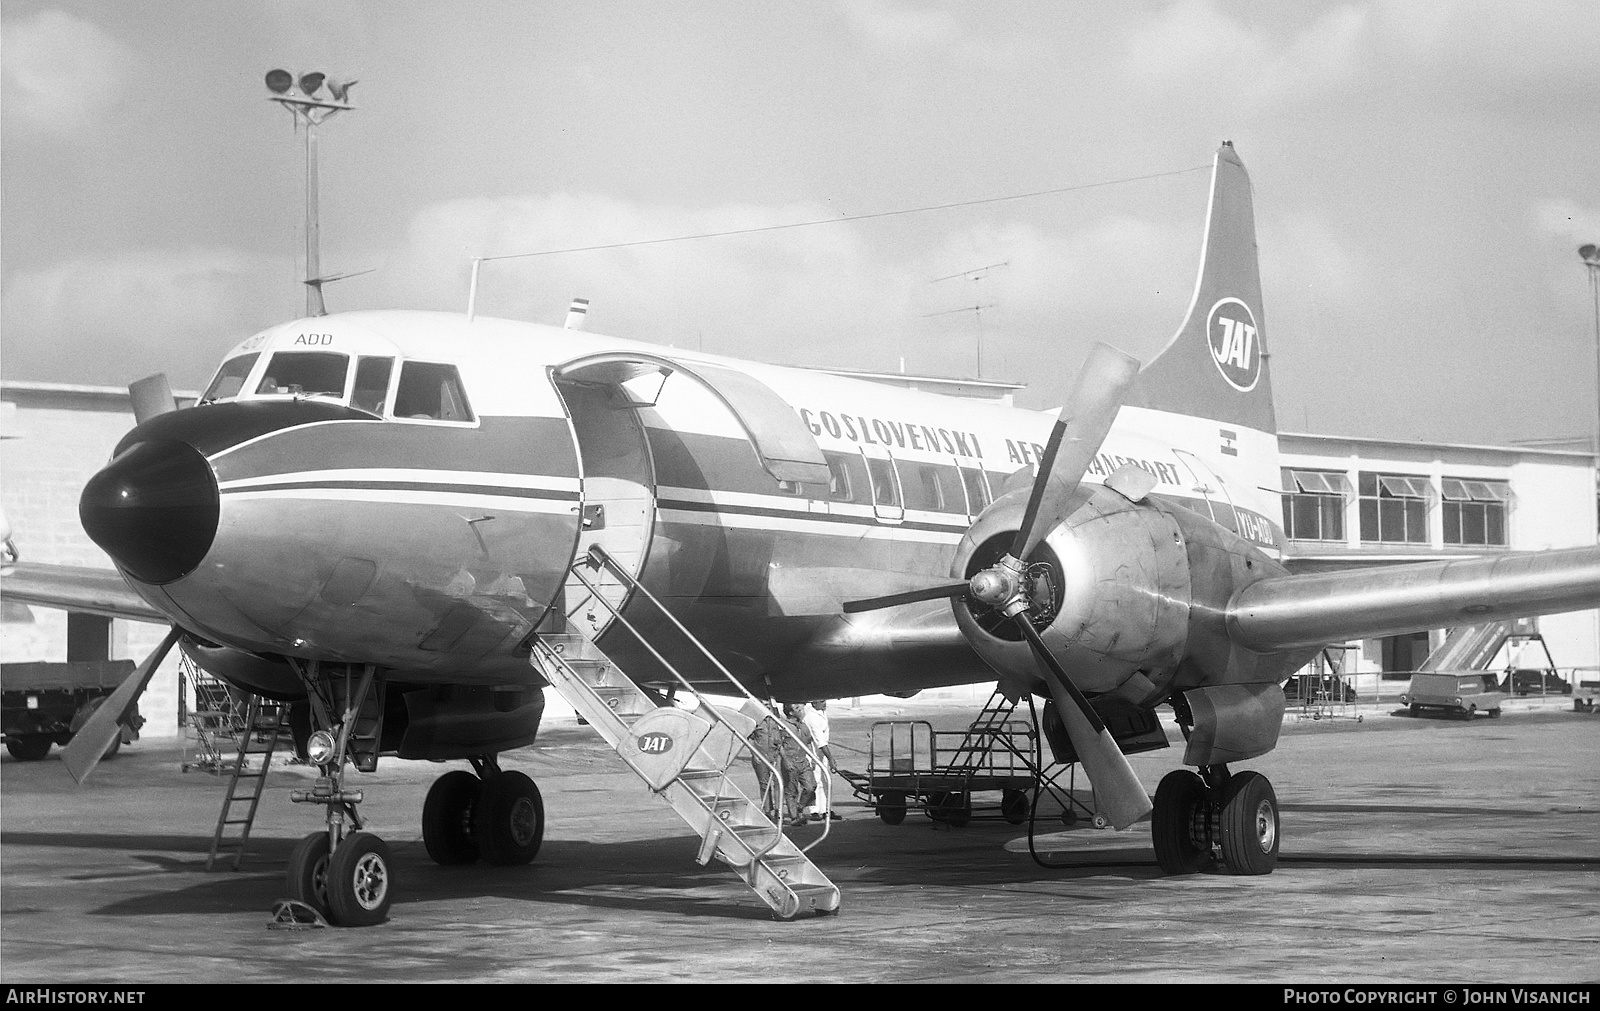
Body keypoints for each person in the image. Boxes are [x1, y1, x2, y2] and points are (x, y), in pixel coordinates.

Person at [799, 701, 840, 821]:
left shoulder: (822, 713)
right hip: (813, 754)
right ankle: (814, 810)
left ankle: (826, 809)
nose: (824, 703)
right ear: (814, 703)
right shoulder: (811, 718)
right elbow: (819, 741)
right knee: (815, 782)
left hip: (822, 753)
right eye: (821, 702)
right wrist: (831, 758)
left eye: (825, 701)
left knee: (825, 781)